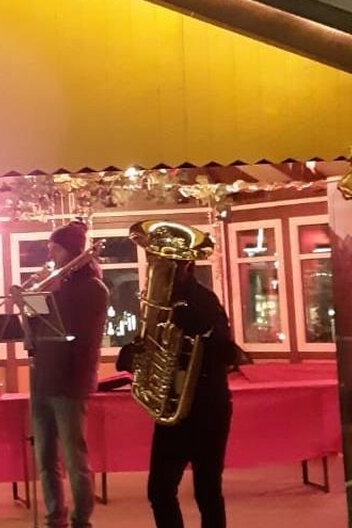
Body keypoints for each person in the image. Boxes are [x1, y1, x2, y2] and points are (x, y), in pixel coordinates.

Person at [118, 223, 234, 528]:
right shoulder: (159, 303)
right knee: (159, 490)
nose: (159, 269)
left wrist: (199, 328)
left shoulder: (205, 300)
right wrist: (137, 354)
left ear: (187, 264)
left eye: (168, 263)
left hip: (207, 408)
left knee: (207, 492)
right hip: (172, 410)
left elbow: (227, 352)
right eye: (157, 262)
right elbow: (153, 346)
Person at [27, 220, 108, 528]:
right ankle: (54, 517)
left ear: (71, 251)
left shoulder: (94, 288)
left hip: (70, 381)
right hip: (43, 379)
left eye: (56, 248)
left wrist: (55, 294)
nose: (50, 253)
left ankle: (80, 519)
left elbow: (80, 335)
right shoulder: (55, 285)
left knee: (74, 457)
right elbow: (36, 331)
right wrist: (32, 303)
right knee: (45, 457)